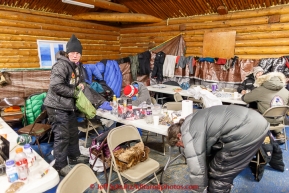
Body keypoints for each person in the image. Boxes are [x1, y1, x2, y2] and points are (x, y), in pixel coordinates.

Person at [167, 105, 269, 193]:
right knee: (217, 166)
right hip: (256, 120)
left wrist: (198, 190)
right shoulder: (191, 120)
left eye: (179, 145)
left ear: (179, 136)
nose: (183, 147)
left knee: (219, 174)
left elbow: (197, 169)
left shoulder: (188, 134)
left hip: (247, 129)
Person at [43, 34, 89, 176]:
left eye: (78, 53)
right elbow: (56, 86)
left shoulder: (78, 66)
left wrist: (82, 84)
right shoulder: (61, 65)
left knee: (73, 132)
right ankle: (60, 165)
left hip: (68, 105)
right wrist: (74, 92)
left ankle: (74, 156)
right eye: (72, 53)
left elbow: (81, 81)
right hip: (56, 106)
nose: (75, 56)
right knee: (62, 135)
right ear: (68, 53)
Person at [242, 72, 289, 141]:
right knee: (274, 113)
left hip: (264, 120)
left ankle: (253, 135)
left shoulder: (260, 90)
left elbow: (245, 99)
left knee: (251, 110)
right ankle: (278, 132)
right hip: (280, 119)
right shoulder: (286, 91)